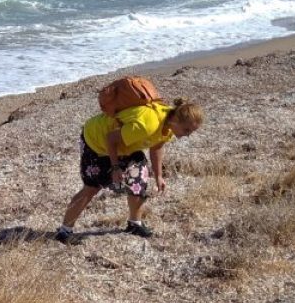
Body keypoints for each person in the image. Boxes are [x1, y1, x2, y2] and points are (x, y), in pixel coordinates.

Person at [55, 98, 203, 244]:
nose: (188, 134)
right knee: (92, 187)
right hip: (96, 141)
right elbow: (111, 139)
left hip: (126, 145)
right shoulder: (148, 125)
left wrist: (158, 176)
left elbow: (157, 146)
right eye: (187, 130)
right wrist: (115, 167)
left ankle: (135, 224)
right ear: (176, 119)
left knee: (138, 181)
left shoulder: (168, 126)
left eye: (192, 131)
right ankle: (64, 231)